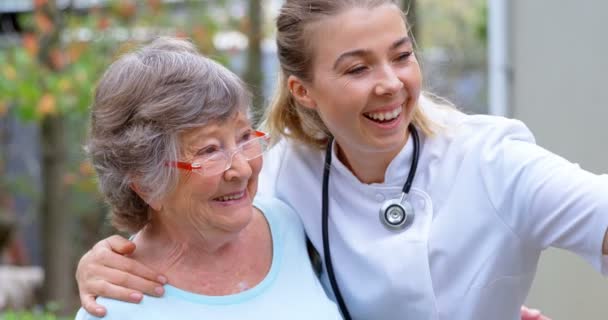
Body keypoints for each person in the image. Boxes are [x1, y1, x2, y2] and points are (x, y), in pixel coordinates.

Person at [76, 0, 608, 319]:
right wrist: (105, 260)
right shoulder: (280, 181)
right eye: (356, 69)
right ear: (303, 91)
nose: (391, 84)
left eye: (402, 55)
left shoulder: (494, 161)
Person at [74, 37, 342, 319]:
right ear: (146, 183)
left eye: (244, 137)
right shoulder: (116, 308)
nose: (242, 169)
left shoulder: (284, 222)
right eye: (209, 151)